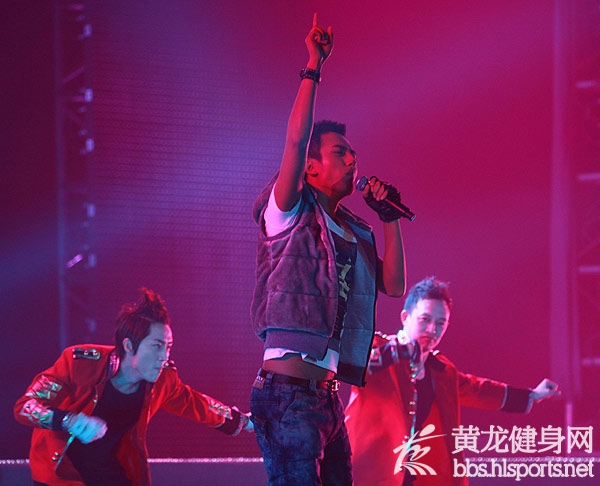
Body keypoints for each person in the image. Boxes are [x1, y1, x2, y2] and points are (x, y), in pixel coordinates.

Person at [249, 13, 409, 486]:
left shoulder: (355, 229)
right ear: (311, 168)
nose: (353, 158)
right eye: (341, 152)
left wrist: (389, 219)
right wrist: (313, 66)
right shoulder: (288, 210)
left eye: (353, 152)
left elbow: (394, 286)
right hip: (287, 393)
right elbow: (296, 140)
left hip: (327, 395)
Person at [14, 287, 253, 486]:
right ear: (129, 346)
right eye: (157, 346)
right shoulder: (79, 363)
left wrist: (243, 422)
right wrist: (70, 421)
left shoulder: (163, 380)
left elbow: (196, 403)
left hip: (113, 475)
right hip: (62, 476)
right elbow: (26, 406)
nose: (164, 356)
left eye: (168, 347)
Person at [344, 276, 560, 485]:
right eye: (425, 319)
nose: (432, 330)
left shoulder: (442, 371)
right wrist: (397, 352)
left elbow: (477, 389)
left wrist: (531, 395)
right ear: (405, 317)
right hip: (370, 476)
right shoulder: (377, 349)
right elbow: (355, 363)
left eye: (441, 323)